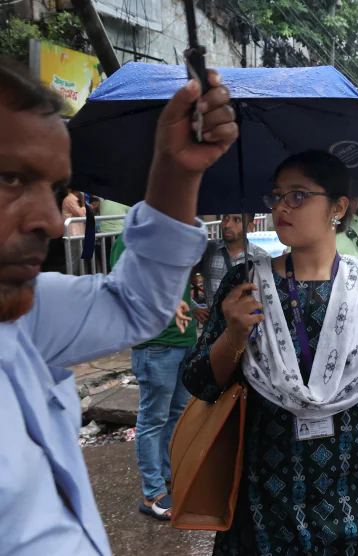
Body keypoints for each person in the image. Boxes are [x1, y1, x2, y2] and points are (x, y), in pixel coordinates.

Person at [0, 57, 237, 555]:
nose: (49, 219)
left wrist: (175, 171)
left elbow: (133, 304)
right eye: (9, 178)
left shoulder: (25, 319)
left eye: (57, 190)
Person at [181, 150, 358, 555]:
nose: (280, 207)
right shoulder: (246, 284)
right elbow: (200, 383)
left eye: (297, 196)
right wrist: (235, 333)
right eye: (276, 197)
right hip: (265, 502)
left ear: (338, 207)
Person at [110, 237, 196, 520]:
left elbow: (176, 287)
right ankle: (153, 494)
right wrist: (165, 305)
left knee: (177, 416)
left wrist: (193, 306)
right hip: (154, 344)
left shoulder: (173, 234)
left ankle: (169, 479)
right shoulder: (130, 239)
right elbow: (124, 288)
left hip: (183, 340)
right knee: (152, 420)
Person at [193, 213, 269, 322]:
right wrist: (194, 307)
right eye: (225, 218)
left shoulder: (261, 258)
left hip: (247, 330)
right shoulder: (207, 250)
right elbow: (180, 276)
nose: (227, 224)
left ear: (249, 227)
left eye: (237, 220)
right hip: (213, 330)